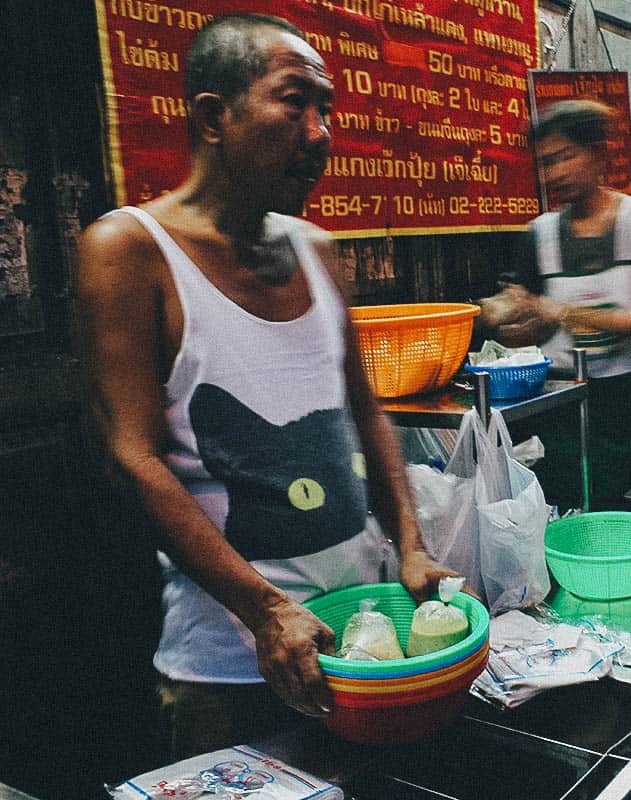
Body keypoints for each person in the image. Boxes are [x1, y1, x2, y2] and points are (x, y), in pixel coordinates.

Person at [73, 13, 455, 758]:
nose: (320, 134)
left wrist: (411, 543)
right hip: (233, 661)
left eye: (329, 110)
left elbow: (362, 407)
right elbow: (130, 457)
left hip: (365, 639)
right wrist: (266, 609)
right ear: (214, 117)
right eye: (295, 103)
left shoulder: (314, 247)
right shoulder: (129, 250)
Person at [481, 99, 631, 510]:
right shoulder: (540, 234)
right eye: (546, 163)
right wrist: (500, 315)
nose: (555, 173)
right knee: (567, 519)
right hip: (564, 408)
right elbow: (535, 326)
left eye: (565, 157)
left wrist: (570, 313)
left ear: (597, 154)